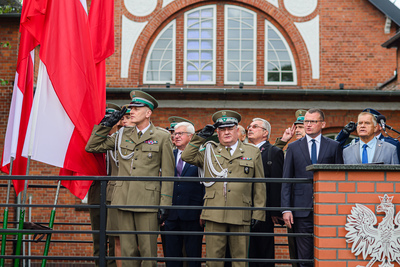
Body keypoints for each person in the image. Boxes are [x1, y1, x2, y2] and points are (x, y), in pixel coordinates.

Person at [85, 91, 175, 267]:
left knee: (148, 252)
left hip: (147, 202)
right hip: (123, 200)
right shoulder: (121, 135)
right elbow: (92, 146)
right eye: (131, 108)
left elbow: (168, 173)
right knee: (127, 252)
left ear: (148, 113)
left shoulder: (162, 136)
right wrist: (106, 125)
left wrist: (165, 204)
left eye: (136, 108)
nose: (131, 111)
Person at [181, 110, 266, 267]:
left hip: (241, 212)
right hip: (215, 212)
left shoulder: (251, 151)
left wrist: (258, 212)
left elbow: (259, 184)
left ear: (237, 130)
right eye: (222, 129)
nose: (226, 132)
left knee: (240, 260)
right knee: (214, 260)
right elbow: (187, 157)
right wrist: (200, 137)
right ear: (217, 132)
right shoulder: (209, 150)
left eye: (230, 128)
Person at [281, 108, 343, 267]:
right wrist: (286, 209)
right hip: (301, 209)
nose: (308, 125)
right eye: (306, 122)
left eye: (313, 121)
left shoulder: (334, 146)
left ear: (323, 124)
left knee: (328, 254)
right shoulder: (293, 147)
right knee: (304, 258)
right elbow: (287, 179)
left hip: (328, 208)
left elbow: (340, 180)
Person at [164, 121, 204, 267]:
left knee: (193, 255)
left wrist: (203, 211)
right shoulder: (169, 154)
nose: (176, 136)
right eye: (175, 134)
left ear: (191, 137)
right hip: (171, 214)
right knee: (172, 256)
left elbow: (205, 186)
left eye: (180, 133)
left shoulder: (201, 156)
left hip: (192, 213)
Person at [247, 118, 284, 267]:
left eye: (255, 127)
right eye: (249, 126)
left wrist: (274, 210)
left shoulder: (273, 152)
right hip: (245, 207)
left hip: (265, 209)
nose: (250, 128)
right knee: (248, 250)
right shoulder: (245, 150)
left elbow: (276, 182)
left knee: (264, 249)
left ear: (265, 133)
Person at [88, 103, 120, 267]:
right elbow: (90, 148)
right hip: (97, 191)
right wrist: (103, 127)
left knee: (115, 236)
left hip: (116, 190)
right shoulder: (95, 138)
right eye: (106, 117)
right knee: (98, 237)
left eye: (111, 118)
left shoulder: (122, 139)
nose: (109, 121)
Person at [336, 108, 400, 160]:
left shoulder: (391, 146)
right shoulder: (354, 143)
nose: (363, 126)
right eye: (360, 123)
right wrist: (344, 133)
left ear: (379, 126)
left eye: (367, 123)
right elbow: (335, 151)